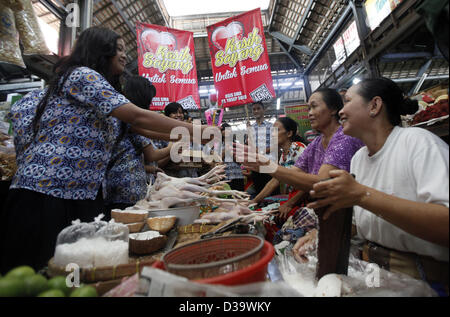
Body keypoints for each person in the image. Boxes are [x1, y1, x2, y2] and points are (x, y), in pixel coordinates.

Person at [0, 27, 204, 274]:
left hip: (83, 194)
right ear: (100, 50)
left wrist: (197, 134)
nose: (125, 56)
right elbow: (138, 116)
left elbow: (143, 129)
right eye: (118, 49)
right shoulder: (81, 76)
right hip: (47, 190)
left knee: (77, 274)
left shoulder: (105, 97)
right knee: (37, 272)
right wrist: (201, 132)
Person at [296, 78, 449, 293]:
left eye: (347, 101)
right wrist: (318, 234)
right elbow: (364, 222)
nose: (341, 111)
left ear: (374, 106)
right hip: (377, 275)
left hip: (424, 282)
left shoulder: (418, 143)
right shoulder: (359, 158)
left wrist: (362, 195)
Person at [235, 88, 364, 241]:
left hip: (348, 220)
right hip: (323, 211)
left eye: (314, 106)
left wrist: (267, 165)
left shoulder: (344, 138)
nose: (309, 112)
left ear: (333, 109)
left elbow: (321, 182)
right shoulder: (316, 143)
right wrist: (261, 167)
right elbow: (290, 175)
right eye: (308, 108)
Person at [103, 75, 172, 212]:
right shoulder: (132, 119)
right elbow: (152, 155)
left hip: (115, 185)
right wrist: (172, 146)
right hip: (128, 187)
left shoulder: (121, 116)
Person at [252, 117, 306, 206]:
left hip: (302, 201)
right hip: (292, 199)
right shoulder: (283, 156)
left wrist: (289, 204)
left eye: (276, 131)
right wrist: (254, 201)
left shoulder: (298, 148)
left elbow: (308, 183)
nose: (272, 134)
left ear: (289, 133)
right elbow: (274, 181)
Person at [249, 101, 275, 197]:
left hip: (269, 162)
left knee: (271, 191)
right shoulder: (251, 128)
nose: (256, 111)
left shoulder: (271, 126)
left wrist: (261, 151)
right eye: (254, 109)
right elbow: (251, 146)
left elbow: (275, 144)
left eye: (258, 108)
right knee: (259, 191)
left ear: (263, 110)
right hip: (256, 165)